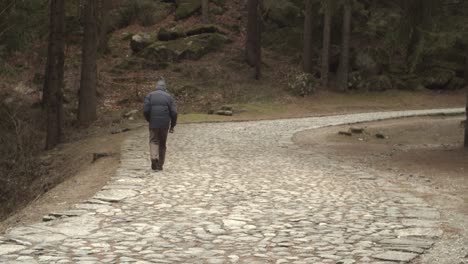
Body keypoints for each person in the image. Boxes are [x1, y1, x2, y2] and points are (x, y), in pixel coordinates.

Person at [143, 77, 177, 171]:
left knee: (153, 140)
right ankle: (160, 165)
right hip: (164, 124)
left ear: (156, 87)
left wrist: (149, 120)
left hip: (153, 123)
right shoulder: (169, 97)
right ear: (164, 87)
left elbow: (146, 110)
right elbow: (174, 112)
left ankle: (154, 158)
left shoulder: (150, 95)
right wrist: (172, 125)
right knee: (162, 143)